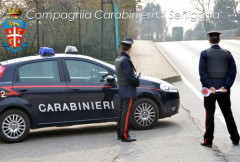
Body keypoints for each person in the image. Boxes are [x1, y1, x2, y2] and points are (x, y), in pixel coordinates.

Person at [199, 31, 239, 147]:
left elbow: (202, 72)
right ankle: (235, 138)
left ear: (209, 40)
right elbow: (232, 72)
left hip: (210, 91)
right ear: (219, 40)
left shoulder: (204, 54)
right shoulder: (227, 54)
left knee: (210, 114)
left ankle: (208, 140)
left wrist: (209, 85)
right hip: (223, 91)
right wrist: (226, 86)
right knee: (228, 114)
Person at [115, 38, 140, 142]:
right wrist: (137, 80)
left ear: (122, 47)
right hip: (128, 90)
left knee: (122, 113)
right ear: (129, 48)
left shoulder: (118, 59)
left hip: (122, 89)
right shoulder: (125, 60)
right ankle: (125, 135)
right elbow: (129, 77)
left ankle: (120, 133)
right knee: (126, 114)